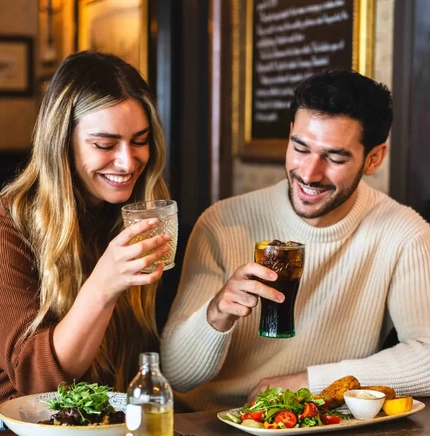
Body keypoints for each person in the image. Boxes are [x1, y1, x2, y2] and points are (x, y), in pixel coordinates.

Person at [161, 69, 430, 412]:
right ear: (289, 135)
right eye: (300, 148)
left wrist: (311, 383)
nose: (309, 173)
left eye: (334, 157)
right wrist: (218, 313)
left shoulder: (404, 233)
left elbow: (427, 356)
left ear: (374, 158)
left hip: (321, 427)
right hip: (211, 428)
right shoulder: (222, 223)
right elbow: (176, 374)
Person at [0, 51, 171, 404]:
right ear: (62, 144)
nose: (127, 161)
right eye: (105, 145)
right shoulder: (9, 223)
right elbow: (35, 378)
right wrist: (104, 285)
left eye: (140, 141)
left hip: (108, 425)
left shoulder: (140, 214)